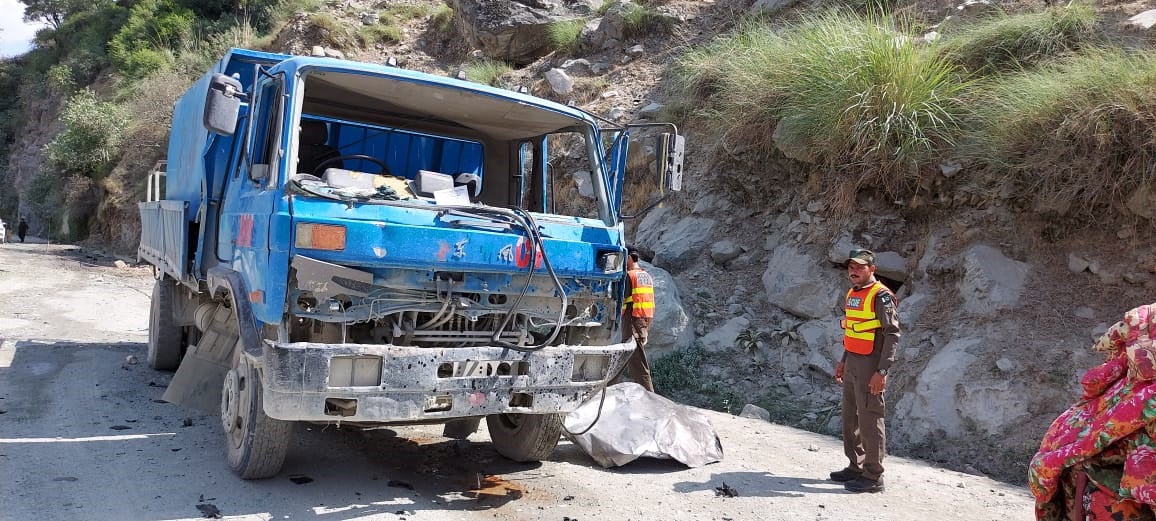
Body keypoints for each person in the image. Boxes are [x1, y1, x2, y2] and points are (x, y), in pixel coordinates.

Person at [831, 248, 900, 494]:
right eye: (852, 267)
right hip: (853, 361)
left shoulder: (881, 295)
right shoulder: (853, 293)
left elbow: (892, 335)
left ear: (872, 269)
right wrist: (843, 360)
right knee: (851, 418)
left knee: (870, 418)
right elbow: (853, 331)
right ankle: (856, 466)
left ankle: (873, 476)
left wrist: (882, 371)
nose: (854, 271)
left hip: (872, 363)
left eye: (860, 267)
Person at [620, 247, 656, 393]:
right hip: (642, 322)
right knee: (622, 357)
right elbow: (649, 302)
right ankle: (606, 387)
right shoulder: (646, 276)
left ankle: (650, 397)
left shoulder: (629, 276)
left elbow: (621, 298)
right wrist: (645, 328)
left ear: (628, 258)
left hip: (632, 321)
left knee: (638, 364)